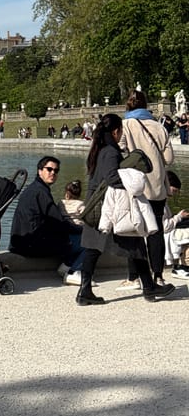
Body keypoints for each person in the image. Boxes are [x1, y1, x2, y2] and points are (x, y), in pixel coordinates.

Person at [77, 113, 175, 306]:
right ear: (116, 131)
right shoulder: (111, 152)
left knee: (96, 248)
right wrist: (134, 185)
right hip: (108, 207)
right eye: (120, 131)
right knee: (135, 246)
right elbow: (113, 178)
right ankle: (149, 287)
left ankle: (85, 290)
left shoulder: (99, 149)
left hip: (97, 202)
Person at [118, 89, 174, 285]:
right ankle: (158, 275)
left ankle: (134, 277)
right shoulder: (159, 127)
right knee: (156, 231)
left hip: (136, 185)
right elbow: (168, 158)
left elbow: (120, 150)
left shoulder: (126, 124)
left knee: (135, 230)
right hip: (157, 186)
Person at [9, 156, 84, 285]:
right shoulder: (41, 192)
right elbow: (59, 222)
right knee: (88, 240)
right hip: (30, 244)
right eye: (49, 169)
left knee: (71, 236)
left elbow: (53, 221)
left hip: (21, 242)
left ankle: (66, 266)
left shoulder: (35, 188)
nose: (53, 173)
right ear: (39, 171)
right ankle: (72, 271)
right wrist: (81, 229)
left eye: (56, 171)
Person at [163, 170, 189, 279]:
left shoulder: (162, 201)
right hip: (164, 233)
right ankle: (184, 266)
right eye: (174, 190)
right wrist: (179, 216)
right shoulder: (158, 203)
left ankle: (184, 265)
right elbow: (164, 226)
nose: (173, 194)